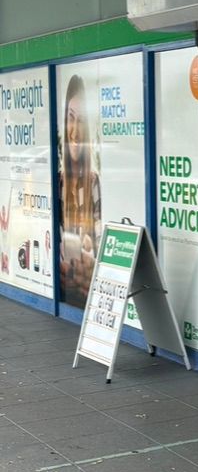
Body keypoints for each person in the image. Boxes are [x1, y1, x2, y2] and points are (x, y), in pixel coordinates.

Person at [59, 74, 101, 306]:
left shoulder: (95, 184)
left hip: (88, 296)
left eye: (82, 120)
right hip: (65, 294)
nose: (74, 131)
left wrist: (91, 262)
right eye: (70, 118)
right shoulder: (57, 185)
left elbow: (100, 241)